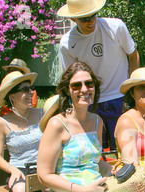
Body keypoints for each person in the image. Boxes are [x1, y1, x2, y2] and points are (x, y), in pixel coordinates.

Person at [37, 61, 133, 192]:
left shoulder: (97, 121)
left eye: (89, 84)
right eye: (76, 85)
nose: (84, 89)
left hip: (97, 190)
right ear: (67, 90)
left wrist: (110, 169)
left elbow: (95, 161)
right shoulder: (57, 124)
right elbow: (43, 175)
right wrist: (82, 190)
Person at [57, 0, 140, 151]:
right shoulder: (67, 43)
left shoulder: (116, 27)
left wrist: (132, 89)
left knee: (124, 149)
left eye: (94, 15)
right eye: (84, 19)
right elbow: (71, 78)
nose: (91, 22)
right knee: (95, 151)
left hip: (120, 97)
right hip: (90, 102)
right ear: (73, 19)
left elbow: (133, 55)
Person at [0, 71, 42, 192]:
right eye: (25, 89)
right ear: (12, 96)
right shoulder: (2, 123)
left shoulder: (41, 113)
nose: (31, 92)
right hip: (20, 169)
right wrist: (12, 169)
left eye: (31, 88)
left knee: (52, 188)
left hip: (44, 166)